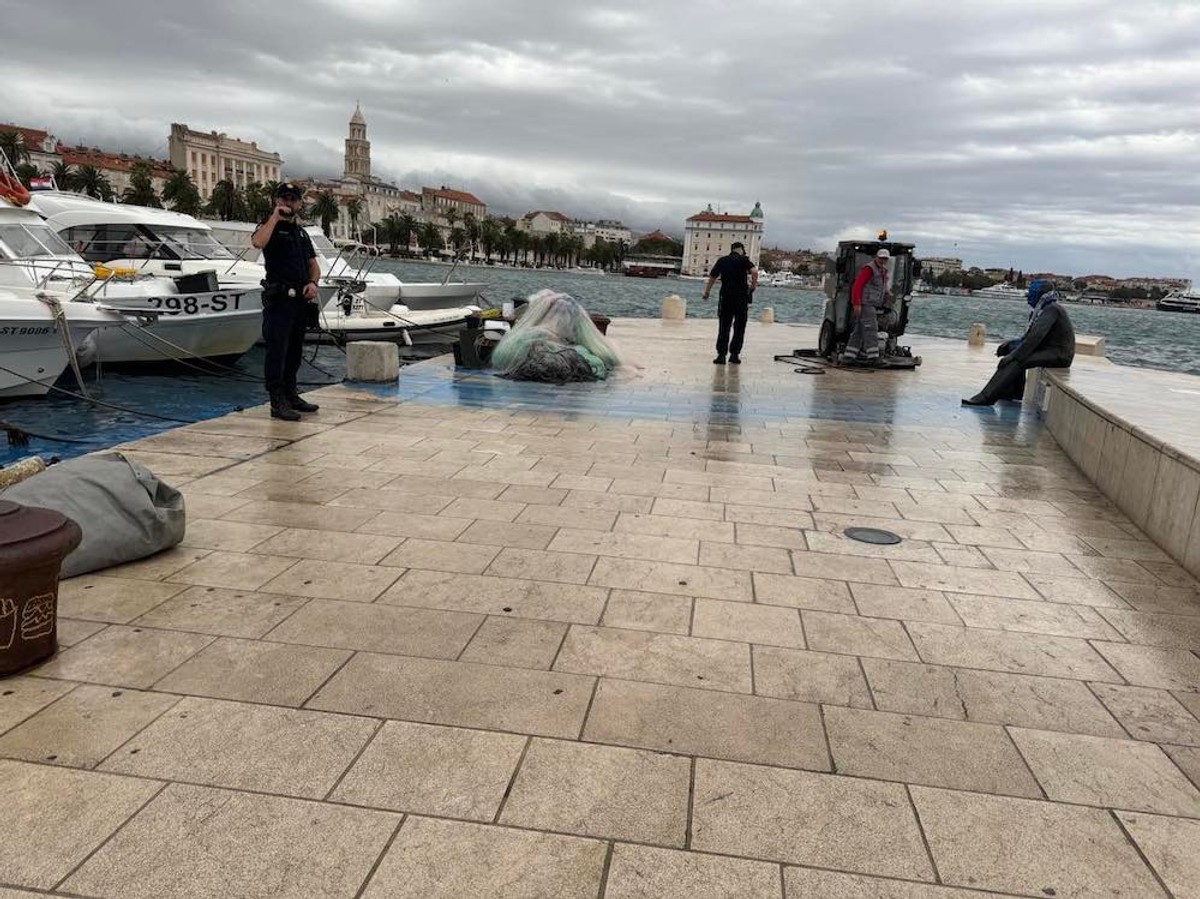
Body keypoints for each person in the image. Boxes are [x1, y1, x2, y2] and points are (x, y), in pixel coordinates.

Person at [251, 182, 321, 421]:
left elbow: (314, 266)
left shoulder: (301, 233)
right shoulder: (270, 228)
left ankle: (291, 394)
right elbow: (258, 243)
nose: (288, 202)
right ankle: (276, 400)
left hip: (300, 300)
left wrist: (313, 284)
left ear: (300, 203)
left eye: (292, 199)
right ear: (276, 201)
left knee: (294, 350)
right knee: (277, 351)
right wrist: (274, 217)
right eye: (284, 198)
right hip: (279, 299)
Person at [962, 279, 1075, 406]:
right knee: (1012, 349)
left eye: (1031, 295)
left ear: (1040, 295)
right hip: (1048, 349)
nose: (1027, 298)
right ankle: (1013, 393)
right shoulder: (1041, 310)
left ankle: (985, 397)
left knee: (1017, 360)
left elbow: (1034, 338)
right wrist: (1010, 345)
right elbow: (1028, 337)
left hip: (1059, 354)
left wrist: (1013, 356)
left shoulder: (1052, 309)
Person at [702, 241, 758, 364]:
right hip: (741, 298)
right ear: (741, 250)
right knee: (739, 327)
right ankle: (734, 355)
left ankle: (721, 355)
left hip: (726, 297)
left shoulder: (722, 260)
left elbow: (712, 277)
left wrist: (707, 292)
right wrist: (753, 286)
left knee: (724, 326)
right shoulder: (744, 260)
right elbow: (754, 271)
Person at [842, 248, 897, 365]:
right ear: (876, 257)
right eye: (881, 258)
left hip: (872, 303)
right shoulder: (869, 269)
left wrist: (888, 295)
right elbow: (857, 285)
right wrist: (856, 303)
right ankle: (873, 357)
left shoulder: (882, 271)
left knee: (860, 331)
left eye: (885, 258)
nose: (883, 260)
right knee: (871, 329)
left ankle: (848, 357)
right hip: (866, 303)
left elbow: (881, 288)